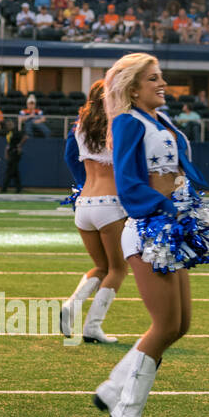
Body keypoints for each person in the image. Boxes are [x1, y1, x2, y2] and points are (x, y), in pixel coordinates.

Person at [95, 53, 209, 417]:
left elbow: (180, 169)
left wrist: (190, 202)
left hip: (169, 225)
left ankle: (116, 386)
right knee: (165, 325)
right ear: (133, 88)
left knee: (180, 324)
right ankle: (126, 409)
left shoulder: (159, 121)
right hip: (148, 228)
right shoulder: (128, 122)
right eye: (153, 79)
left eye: (161, 77)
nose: (162, 84)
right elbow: (128, 182)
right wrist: (168, 208)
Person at [60, 80, 126, 344]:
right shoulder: (118, 126)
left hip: (84, 204)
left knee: (102, 266)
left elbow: (69, 156)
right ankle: (92, 326)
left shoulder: (81, 127)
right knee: (118, 269)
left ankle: (71, 306)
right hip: (110, 204)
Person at [0, 124, 25, 193]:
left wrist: (19, 145)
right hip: (11, 152)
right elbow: (9, 144)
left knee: (9, 171)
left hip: (15, 153)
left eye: (10, 124)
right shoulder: (9, 133)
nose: (8, 126)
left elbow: (25, 137)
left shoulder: (16, 132)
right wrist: (6, 152)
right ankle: (19, 189)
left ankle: (4, 189)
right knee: (15, 172)